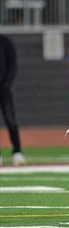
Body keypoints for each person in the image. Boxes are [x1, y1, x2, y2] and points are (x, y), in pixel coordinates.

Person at [0, 34, 25, 166]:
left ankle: (17, 152)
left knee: (10, 120)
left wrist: (6, 84)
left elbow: (12, 64)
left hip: (4, 89)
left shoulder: (6, 42)